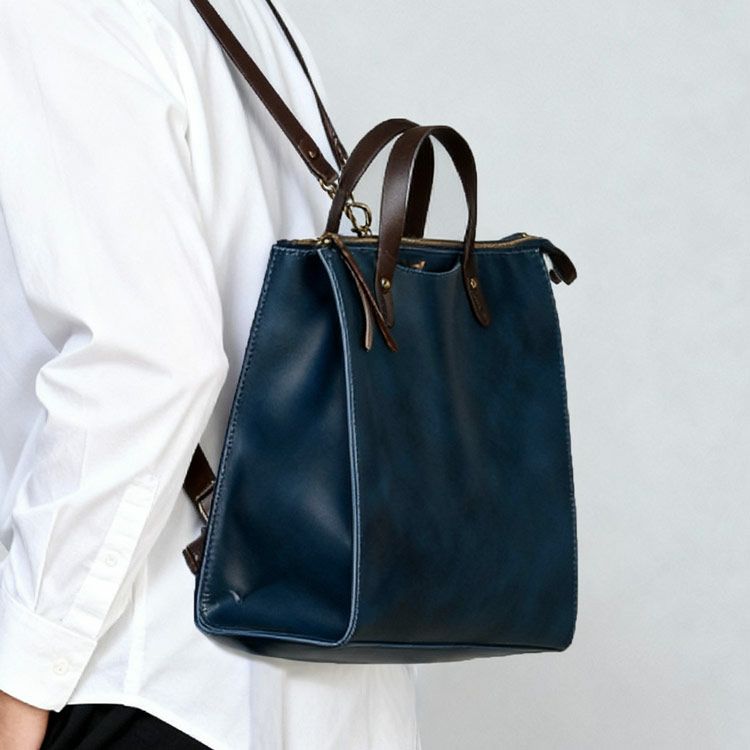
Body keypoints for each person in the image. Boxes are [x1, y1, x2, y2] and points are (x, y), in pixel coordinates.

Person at [0, 0, 422, 748]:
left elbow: (142, 363)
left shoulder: (52, 14)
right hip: (321, 675)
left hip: (144, 673)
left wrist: (20, 676)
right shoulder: (239, 11)